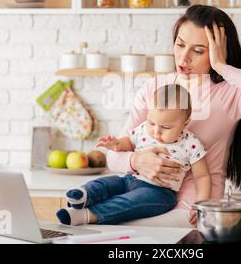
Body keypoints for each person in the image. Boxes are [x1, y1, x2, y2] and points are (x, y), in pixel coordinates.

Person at [107, 4, 241, 228]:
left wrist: (222, 66)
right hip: (144, 196)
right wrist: (136, 160)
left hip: (196, 208)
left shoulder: (230, 93)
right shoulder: (154, 88)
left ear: (217, 51)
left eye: (199, 50)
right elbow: (113, 157)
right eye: (180, 45)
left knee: (132, 232)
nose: (184, 57)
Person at [56, 84, 211, 225]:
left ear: (185, 123)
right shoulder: (143, 129)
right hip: (130, 179)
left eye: (165, 127)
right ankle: (83, 195)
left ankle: (87, 215)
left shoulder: (191, 144)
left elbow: (202, 177)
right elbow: (127, 143)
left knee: (128, 203)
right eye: (152, 123)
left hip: (159, 193)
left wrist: (200, 204)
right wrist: (115, 144)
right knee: (107, 183)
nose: (156, 132)